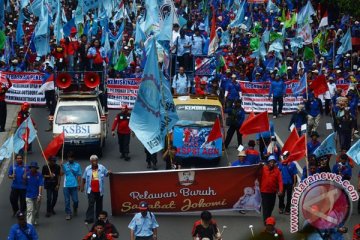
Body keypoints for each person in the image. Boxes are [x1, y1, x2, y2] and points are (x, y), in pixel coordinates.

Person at [81, 155, 111, 224]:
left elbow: (106, 174)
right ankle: (89, 218)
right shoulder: (87, 169)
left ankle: (99, 218)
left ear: (97, 161)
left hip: (99, 190)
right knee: (91, 204)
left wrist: (108, 172)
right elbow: (84, 178)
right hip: (91, 189)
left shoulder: (102, 167)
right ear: (91, 161)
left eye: (96, 160)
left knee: (99, 205)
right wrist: (82, 186)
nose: (95, 162)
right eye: (93, 161)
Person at [259, 155, 283, 224]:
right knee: (266, 206)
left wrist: (280, 190)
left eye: (273, 162)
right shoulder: (263, 169)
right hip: (264, 191)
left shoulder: (277, 171)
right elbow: (256, 173)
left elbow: (280, 181)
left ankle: (268, 218)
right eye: (270, 162)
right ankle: (266, 221)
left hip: (272, 192)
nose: (272, 163)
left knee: (271, 206)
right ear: (268, 162)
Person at [60, 151, 82, 220]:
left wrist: (79, 184)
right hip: (66, 186)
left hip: (74, 185)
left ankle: (75, 208)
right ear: (67, 158)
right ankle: (68, 213)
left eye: (71, 157)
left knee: (75, 201)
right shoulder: (65, 165)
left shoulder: (77, 165)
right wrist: (61, 166)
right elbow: (61, 174)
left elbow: (79, 175)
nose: (70, 159)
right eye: (69, 157)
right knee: (67, 201)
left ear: (74, 158)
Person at [24, 161, 44, 226]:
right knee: (29, 210)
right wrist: (24, 177)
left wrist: (40, 195)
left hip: (37, 195)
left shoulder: (39, 175)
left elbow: (40, 185)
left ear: (36, 168)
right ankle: (29, 223)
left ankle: (36, 219)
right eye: (32, 167)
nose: (33, 169)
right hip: (28, 195)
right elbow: (24, 183)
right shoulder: (27, 174)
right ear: (30, 168)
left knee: (36, 210)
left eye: (34, 167)